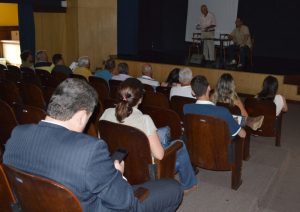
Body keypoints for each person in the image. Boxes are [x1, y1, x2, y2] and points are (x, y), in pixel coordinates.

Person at [3, 78, 183, 211]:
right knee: (173, 188)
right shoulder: (88, 150)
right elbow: (124, 201)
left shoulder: (17, 135)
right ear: (82, 115)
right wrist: (118, 175)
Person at [100, 78, 197, 193]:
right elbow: (160, 155)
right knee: (180, 144)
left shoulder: (106, 113)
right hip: (147, 173)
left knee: (161, 133)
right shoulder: (144, 120)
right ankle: (188, 185)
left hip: (117, 165)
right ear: (140, 99)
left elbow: (101, 143)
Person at [184, 75, 246, 139]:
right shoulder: (223, 112)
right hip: (217, 147)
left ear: (193, 92)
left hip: (195, 144)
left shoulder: (186, 108)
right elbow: (243, 134)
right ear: (209, 88)